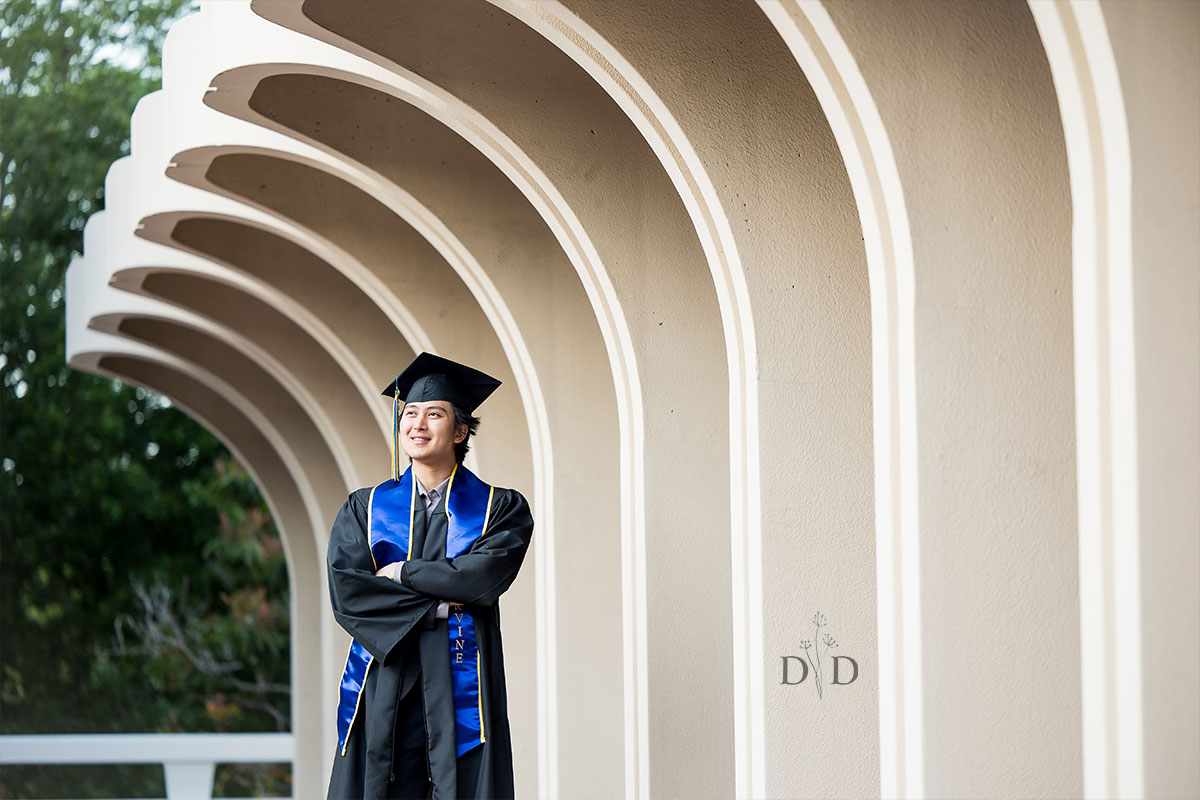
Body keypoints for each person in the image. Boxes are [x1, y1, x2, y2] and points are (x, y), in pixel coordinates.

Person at [326, 352, 534, 799]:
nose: (417, 424)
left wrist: (401, 573)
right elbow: (349, 592)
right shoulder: (364, 509)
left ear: (460, 431)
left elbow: (479, 579)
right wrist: (438, 605)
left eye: (434, 414)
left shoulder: (500, 509)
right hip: (384, 680)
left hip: (461, 686)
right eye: (410, 413)